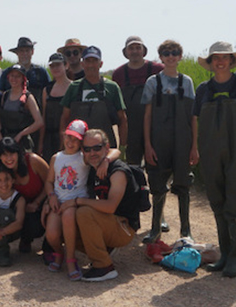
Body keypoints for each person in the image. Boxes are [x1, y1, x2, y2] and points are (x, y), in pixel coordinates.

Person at [191, 42, 236, 278]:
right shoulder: (203, 89)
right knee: (217, 201)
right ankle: (224, 254)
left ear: (232, 61)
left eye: (225, 57)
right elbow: (194, 120)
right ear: (210, 63)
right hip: (211, 152)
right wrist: (195, 147)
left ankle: (235, 258)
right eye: (216, 58)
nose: (220, 61)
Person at [42, 119, 119, 280]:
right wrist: (51, 196)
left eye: (76, 140)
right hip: (58, 201)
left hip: (76, 202)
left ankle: (71, 259)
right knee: (51, 234)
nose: (71, 142)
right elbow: (49, 181)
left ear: (82, 143)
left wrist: (106, 161)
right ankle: (59, 252)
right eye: (68, 137)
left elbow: (114, 151)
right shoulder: (56, 157)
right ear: (64, 136)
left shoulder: (83, 157)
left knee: (68, 216)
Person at [141, 40, 196, 243]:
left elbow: (193, 117)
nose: (170, 56)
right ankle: (155, 229)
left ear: (180, 56)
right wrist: (148, 145)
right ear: (161, 57)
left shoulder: (187, 82)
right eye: (166, 53)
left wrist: (194, 146)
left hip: (182, 141)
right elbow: (147, 116)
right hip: (159, 141)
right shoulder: (152, 82)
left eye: (174, 53)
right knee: (157, 183)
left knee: (183, 184)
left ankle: (186, 231)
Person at [73, 129, 141, 282]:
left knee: (83, 213)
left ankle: (104, 267)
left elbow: (110, 206)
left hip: (124, 227)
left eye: (97, 148)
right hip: (109, 221)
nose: (92, 153)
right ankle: (105, 250)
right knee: (68, 221)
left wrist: (79, 201)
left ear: (106, 147)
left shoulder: (117, 172)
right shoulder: (93, 168)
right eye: (87, 149)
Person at [0, 137, 50, 254]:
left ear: (18, 153)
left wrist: (38, 202)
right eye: (4, 155)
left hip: (39, 204)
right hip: (14, 209)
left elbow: (51, 182)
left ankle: (44, 243)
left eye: (12, 154)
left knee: (35, 225)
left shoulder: (33, 161)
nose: (9, 159)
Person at [60, 46, 128, 149]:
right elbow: (64, 118)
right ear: (82, 64)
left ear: (101, 64)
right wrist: (64, 144)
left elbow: (122, 119)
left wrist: (122, 147)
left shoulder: (112, 87)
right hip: (78, 147)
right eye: (88, 61)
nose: (91, 65)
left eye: (94, 61)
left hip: (105, 148)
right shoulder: (74, 87)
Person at [112, 36, 163, 168]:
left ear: (143, 50)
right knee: (133, 166)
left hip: (155, 127)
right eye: (131, 48)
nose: (135, 51)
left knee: (156, 165)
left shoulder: (158, 70)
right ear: (125, 52)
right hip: (131, 129)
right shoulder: (118, 74)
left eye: (138, 48)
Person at [0, 64, 44, 152]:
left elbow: (39, 122)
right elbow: (0, 117)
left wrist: (21, 134)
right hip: (5, 140)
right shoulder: (5, 95)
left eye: (18, 76)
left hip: (22, 143)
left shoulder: (28, 97)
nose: (14, 79)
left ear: (23, 79)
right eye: (12, 76)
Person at [0, 37, 50, 109]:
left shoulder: (41, 72)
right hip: (12, 112)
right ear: (17, 53)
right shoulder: (8, 72)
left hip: (36, 112)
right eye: (21, 51)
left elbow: (48, 93)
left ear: (32, 52)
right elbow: (0, 94)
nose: (24, 54)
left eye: (27, 51)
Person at [38, 52, 72, 163]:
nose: (55, 68)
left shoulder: (74, 87)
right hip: (49, 139)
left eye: (58, 65)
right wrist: (41, 143)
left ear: (66, 65)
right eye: (52, 66)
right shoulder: (47, 90)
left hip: (68, 138)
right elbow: (44, 116)